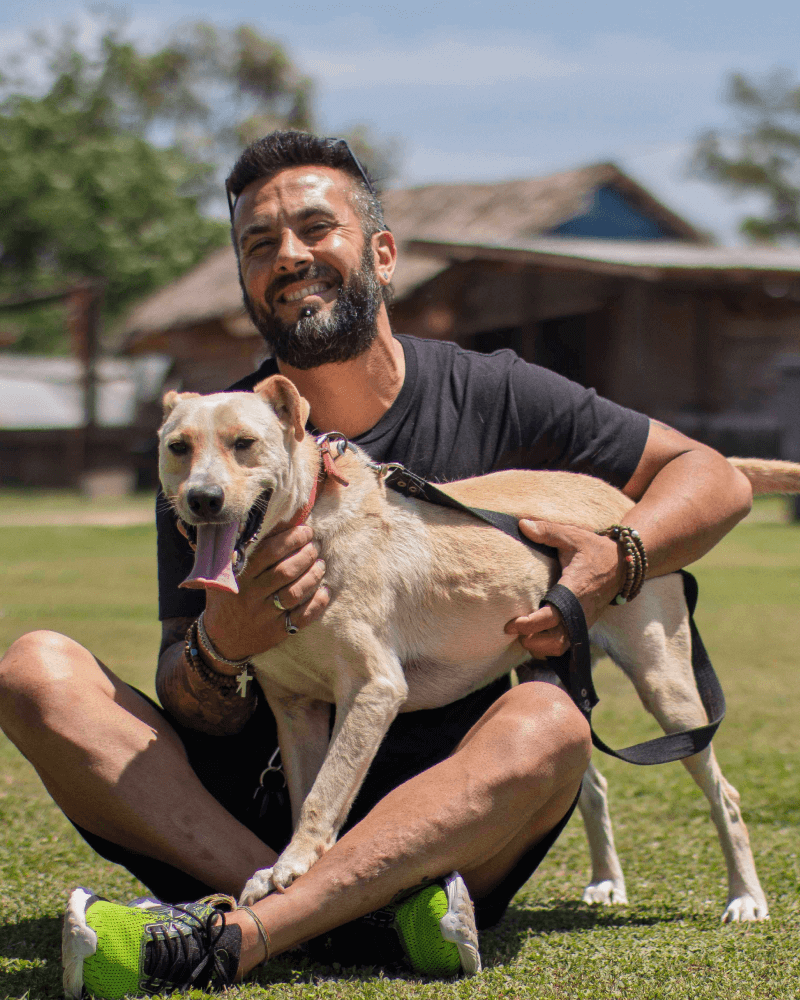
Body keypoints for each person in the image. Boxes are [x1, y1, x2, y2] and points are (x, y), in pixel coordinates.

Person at [0, 132, 753, 998]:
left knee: (551, 728)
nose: (290, 256)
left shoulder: (499, 391)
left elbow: (715, 478)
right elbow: (187, 701)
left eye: (316, 229)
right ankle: (331, 915)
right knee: (35, 671)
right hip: (256, 823)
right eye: (259, 244)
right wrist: (221, 647)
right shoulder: (209, 461)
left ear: (383, 254)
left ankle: (244, 929)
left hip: (450, 815)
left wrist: (616, 558)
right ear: (243, 280)